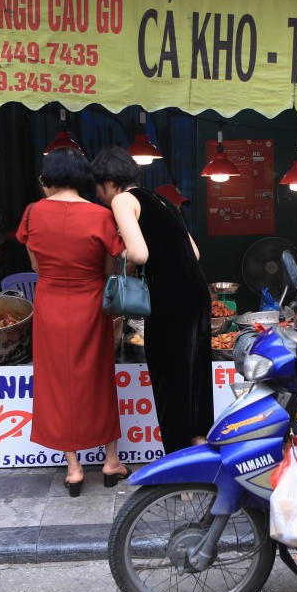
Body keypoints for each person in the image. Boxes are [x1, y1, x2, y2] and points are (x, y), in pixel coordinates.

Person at [16, 147, 130, 497]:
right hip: (93, 304)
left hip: (50, 305)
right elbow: (110, 270)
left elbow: (35, 266)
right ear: (82, 175)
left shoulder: (33, 213)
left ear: (48, 177)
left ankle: (74, 468)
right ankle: (111, 461)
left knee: (56, 382)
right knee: (99, 380)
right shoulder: (100, 215)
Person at [92, 147, 212, 454]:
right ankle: (200, 448)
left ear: (108, 181)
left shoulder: (122, 200)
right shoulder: (162, 200)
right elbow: (194, 253)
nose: (98, 194)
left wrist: (121, 254)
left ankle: (180, 466)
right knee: (195, 374)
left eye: (97, 186)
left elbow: (140, 254)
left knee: (170, 379)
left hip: (169, 297)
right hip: (197, 293)